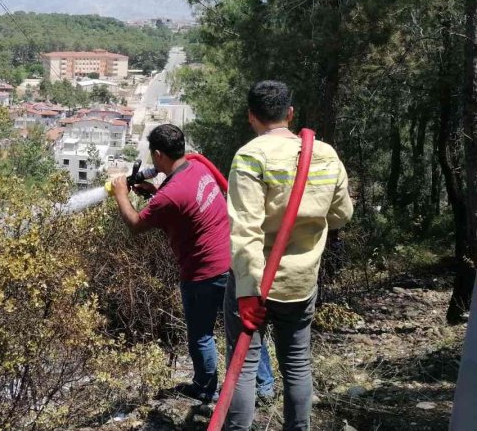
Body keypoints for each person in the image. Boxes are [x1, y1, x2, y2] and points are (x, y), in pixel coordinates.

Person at [111, 124, 274, 403]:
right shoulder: (199, 168)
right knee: (245, 327)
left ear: (159, 154)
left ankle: (205, 388)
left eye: (153, 156)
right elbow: (185, 205)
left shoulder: (170, 195)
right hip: (233, 261)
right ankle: (265, 388)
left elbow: (136, 224)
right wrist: (154, 193)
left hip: (203, 272)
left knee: (201, 334)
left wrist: (120, 195)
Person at [224, 81, 354, 430]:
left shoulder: (250, 157)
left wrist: (248, 291)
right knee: (297, 364)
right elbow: (342, 215)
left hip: (254, 284)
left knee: (244, 366)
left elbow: (245, 230)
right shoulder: (324, 154)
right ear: (290, 113)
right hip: (301, 281)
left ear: (251, 116)